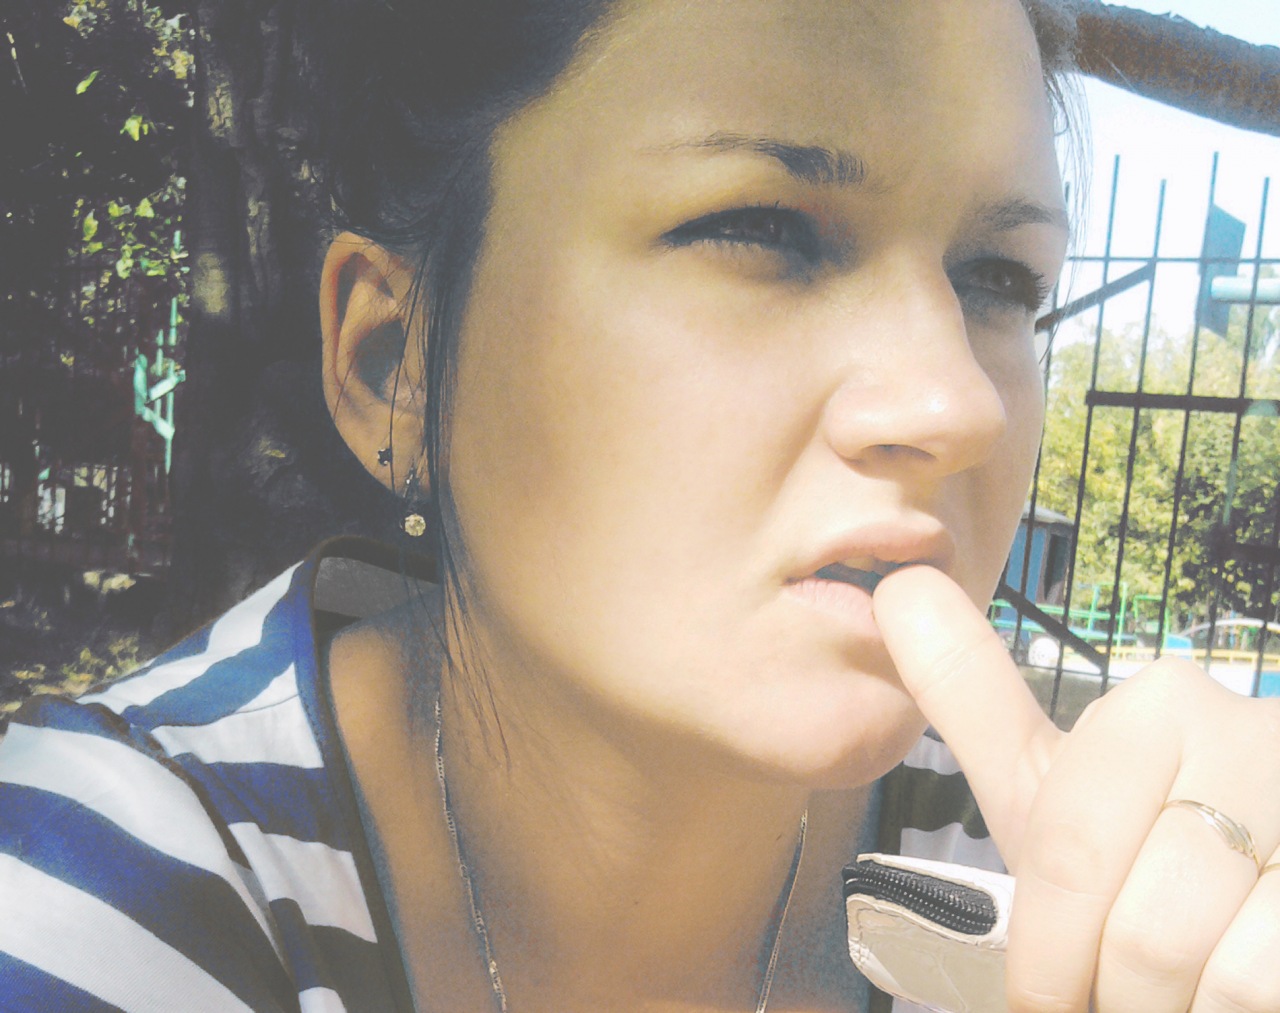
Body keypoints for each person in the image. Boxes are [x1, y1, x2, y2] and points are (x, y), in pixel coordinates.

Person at [2, 0, 1277, 1010]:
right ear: (395, 363)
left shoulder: (1045, 873)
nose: (955, 403)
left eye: (997, 277)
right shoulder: (102, 893)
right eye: (762, 228)